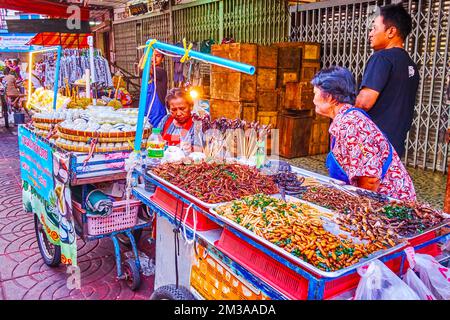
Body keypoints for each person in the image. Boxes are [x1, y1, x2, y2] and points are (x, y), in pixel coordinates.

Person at [311, 66, 416, 201]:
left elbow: (370, 179)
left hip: (392, 205)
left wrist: (359, 212)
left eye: (315, 93)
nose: (313, 100)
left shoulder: (351, 124)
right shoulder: (344, 119)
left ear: (331, 97)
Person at [355, 3, 419, 159]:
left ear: (391, 31)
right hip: (395, 146)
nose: (370, 33)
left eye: (374, 28)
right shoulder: (411, 64)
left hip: (374, 144)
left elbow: (364, 103)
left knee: (363, 184)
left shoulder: (382, 58)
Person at [157, 87, 196, 153]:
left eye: (182, 108)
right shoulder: (166, 119)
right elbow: (156, 139)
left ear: (191, 106)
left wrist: (191, 149)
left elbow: (199, 150)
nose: (178, 113)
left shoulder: (196, 124)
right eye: (174, 110)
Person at [139, 51, 168, 127]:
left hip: (157, 110)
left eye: (157, 56)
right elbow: (141, 67)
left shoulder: (161, 71)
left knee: (156, 132)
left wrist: (147, 57)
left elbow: (148, 69)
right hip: (146, 106)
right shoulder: (146, 72)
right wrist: (146, 53)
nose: (154, 58)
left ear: (162, 59)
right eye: (151, 56)